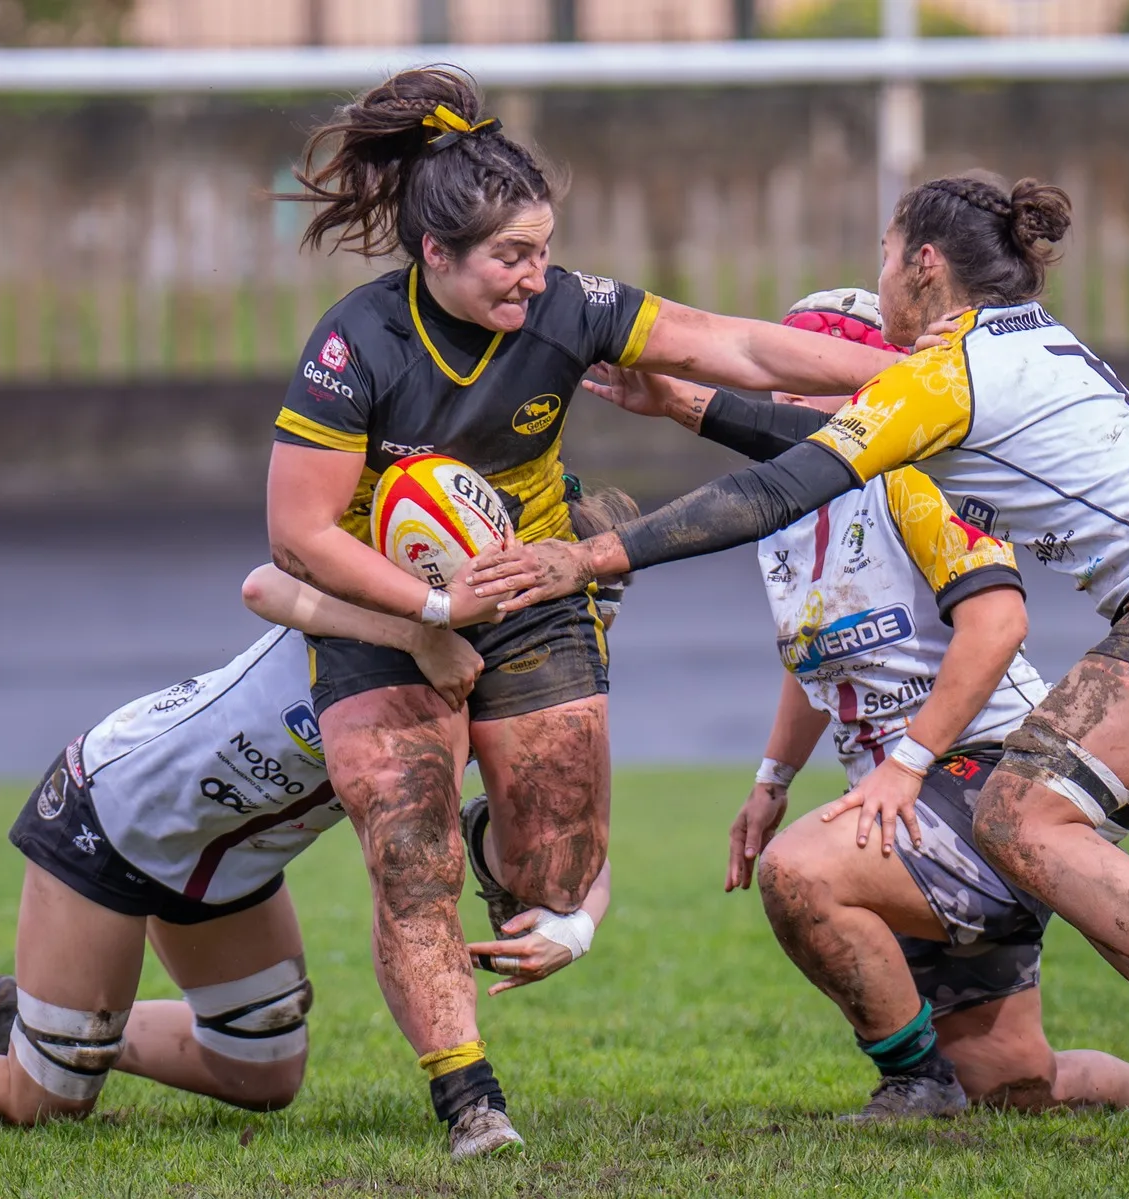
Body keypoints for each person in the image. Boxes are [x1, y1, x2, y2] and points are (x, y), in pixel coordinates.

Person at [468, 173, 1129, 1151]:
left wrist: (588, 555)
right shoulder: (1030, 338)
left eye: (884, 255)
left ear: (923, 262)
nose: (880, 278)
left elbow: (784, 484)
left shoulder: (947, 367)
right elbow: (816, 445)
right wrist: (691, 404)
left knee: (1019, 812)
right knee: (1014, 981)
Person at [265, 64, 900, 1158]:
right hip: (386, 607)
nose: (535, 275)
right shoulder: (356, 343)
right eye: (511, 258)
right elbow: (298, 535)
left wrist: (906, 366)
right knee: (404, 847)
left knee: (556, 881)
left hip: (536, 586)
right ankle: (469, 1095)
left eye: (543, 249)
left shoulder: (570, 307)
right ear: (436, 256)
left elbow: (735, 345)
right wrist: (429, 602)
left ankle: (499, 833)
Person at [0, 491, 629, 1141]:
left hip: (228, 865)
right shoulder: (415, 587)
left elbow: (569, 836)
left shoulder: (521, 687)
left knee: (265, 1074)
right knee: (37, 1100)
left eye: (604, 604)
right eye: (581, 594)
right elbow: (268, 583)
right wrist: (412, 625)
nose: (589, 624)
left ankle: (33, 1019)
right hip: (118, 818)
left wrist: (574, 925)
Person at [682, 288, 1129, 1121]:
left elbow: (999, 623)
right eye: (782, 377)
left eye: (814, 375)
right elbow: (817, 657)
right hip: (903, 793)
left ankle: (914, 1082)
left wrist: (907, 764)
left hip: (993, 775)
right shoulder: (785, 513)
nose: (788, 398)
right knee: (1015, 1084)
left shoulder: (919, 474)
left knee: (802, 871)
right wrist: (771, 778)